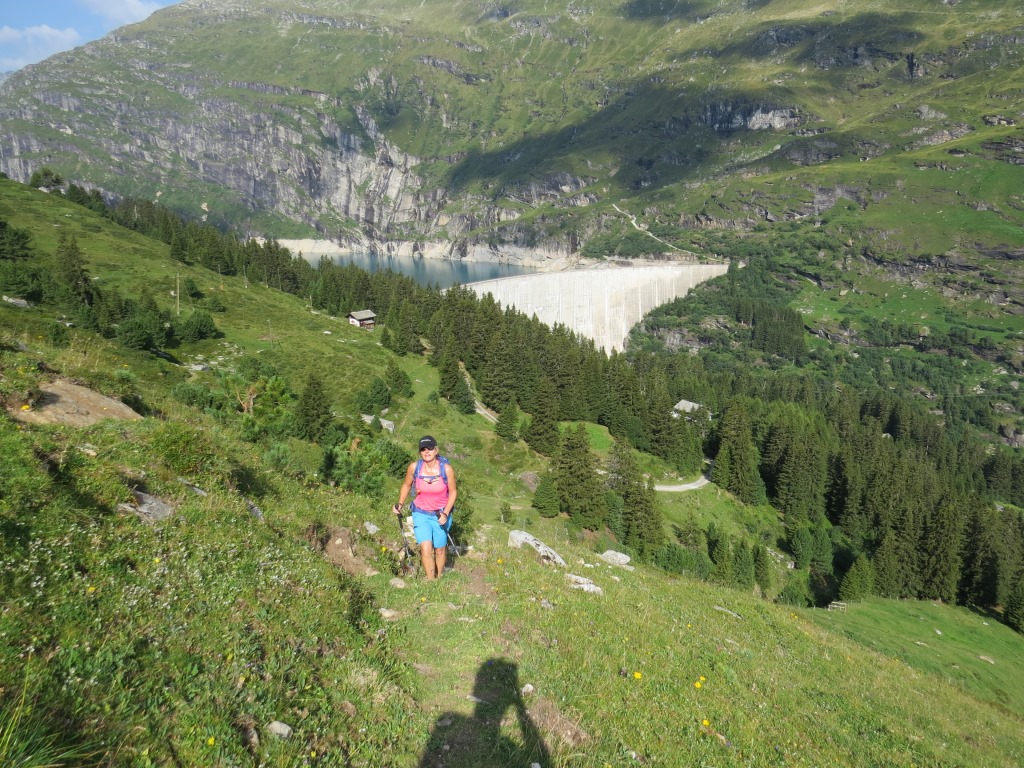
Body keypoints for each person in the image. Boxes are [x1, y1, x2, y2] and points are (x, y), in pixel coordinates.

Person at [394, 435, 457, 580]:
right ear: (420, 452)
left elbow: (453, 492)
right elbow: (406, 485)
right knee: (425, 548)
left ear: (436, 450)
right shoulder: (414, 467)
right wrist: (400, 504)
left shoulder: (446, 469)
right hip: (420, 513)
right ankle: (431, 581)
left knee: (440, 549)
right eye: (423, 449)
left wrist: (446, 513)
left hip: (440, 515)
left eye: (430, 448)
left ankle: (439, 577)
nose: (426, 451)